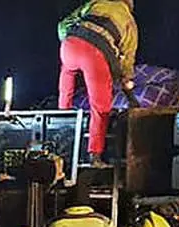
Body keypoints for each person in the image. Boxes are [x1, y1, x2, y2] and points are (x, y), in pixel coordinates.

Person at [57, 0, 139, 166]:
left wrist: (70, 38)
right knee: (100, 107)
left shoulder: (96, 2)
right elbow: (127, 60)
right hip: (94, 54)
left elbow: (64, 24)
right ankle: (95, 155)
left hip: (69, 45)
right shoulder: (129, 22)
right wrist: (128, 89)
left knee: (67, 77)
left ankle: (61, 115)